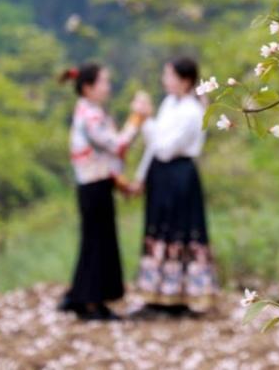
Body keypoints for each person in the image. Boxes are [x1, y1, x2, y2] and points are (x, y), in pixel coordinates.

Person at [128, 57, 217, 318]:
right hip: (161, 175)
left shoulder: (192, 111)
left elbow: (166, 149)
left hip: (179, 176)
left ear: (185, 80)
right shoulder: (170, 104)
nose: (164, 80)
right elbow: (154, 149)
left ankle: (179, 296)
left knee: (178, 233)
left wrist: (145, 121)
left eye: (169, 75)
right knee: (159, 232)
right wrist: (141, 176)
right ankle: (158, 295)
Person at [57, 63, 144, 321]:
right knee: (99, 242)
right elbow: (114, 145)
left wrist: (119, 182)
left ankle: (81, 296)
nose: (108, 87)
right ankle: (93, 301)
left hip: (94, 185)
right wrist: (136, 118)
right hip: (94, 186)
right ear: (88, 87)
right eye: (103, 82)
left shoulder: (89, 111)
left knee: (94, 241)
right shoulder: (91, 116)